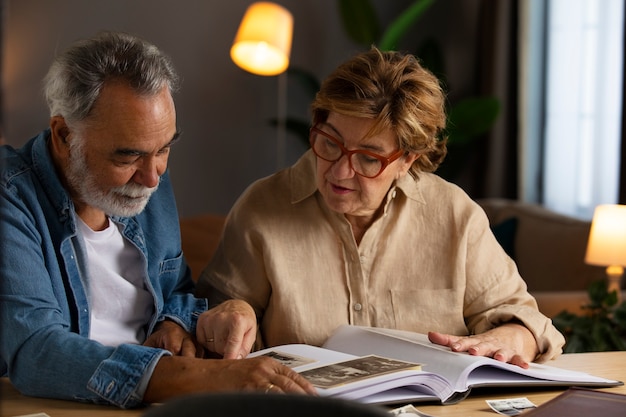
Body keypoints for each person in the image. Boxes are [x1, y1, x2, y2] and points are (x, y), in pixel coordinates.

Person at [0, 31, 315, 408]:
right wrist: (202, 379)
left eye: (164, 149)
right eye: (127, 157)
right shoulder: (11, 198)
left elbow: (176, 285)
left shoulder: (148, 179)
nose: (152, 178)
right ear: (65, 134)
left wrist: (173, 323)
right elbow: (36, 352)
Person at [196, 47, 565, 367]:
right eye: (329, 143)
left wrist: (513, 340)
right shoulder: (262, 207)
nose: (341, 171)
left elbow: (525, 321)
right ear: (317, 125)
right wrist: (232, 314)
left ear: (407, 160)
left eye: (369, 159)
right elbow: (208, 319)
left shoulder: (453, 214)